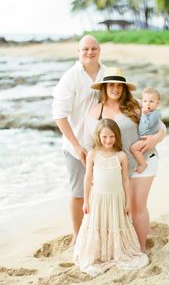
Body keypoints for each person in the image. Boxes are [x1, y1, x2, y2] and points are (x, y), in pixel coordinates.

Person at [84, 67, 166, 252]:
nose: (115, 89)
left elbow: (162, 127)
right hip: (114, 169)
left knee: (137, 205)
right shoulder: (94, 113)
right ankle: (123, 245)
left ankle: (141, 249)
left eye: (119, 85)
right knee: (119, 209)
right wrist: (95, 174)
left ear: (124, 88)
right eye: (111, 85)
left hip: (144, 162)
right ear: (104, 87)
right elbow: (90, 146)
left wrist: (155, 139)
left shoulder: (136, 105)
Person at [73, 118, 148, 276]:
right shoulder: (93, 154)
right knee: (98, 225)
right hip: (98, 199)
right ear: (98, 136)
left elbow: (125, 180)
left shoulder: (121, 156)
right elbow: (87, 178)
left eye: (112, 136)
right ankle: (100, 253)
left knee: (115, 224)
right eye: (105, 136)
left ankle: (116, 252)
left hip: (116, 199)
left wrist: (128, 202)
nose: (108, 140)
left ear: (117, 137)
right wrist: (86, 201)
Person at [52, 35, 106, 244]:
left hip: (103, 146)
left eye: (93, 48)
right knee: (78, 193)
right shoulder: (71, 77)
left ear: (99, 50)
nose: (89, 52)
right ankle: (77, 235)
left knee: (101, 190)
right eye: (85, 49)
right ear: (78, 51)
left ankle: (96, 230)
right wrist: (76, 146)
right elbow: (59, 115)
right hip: (77, 147)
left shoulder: (106, 72)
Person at [130, 87, 161, 173]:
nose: (148, 104)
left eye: (151, 101)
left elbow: (147, 125)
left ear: (157, 103)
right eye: (145, 101)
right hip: (143, 137)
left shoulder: (155, 114)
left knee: (133, 148)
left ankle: (143, 164)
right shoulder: (148, 112)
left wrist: (143, 114)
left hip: (146, 139)